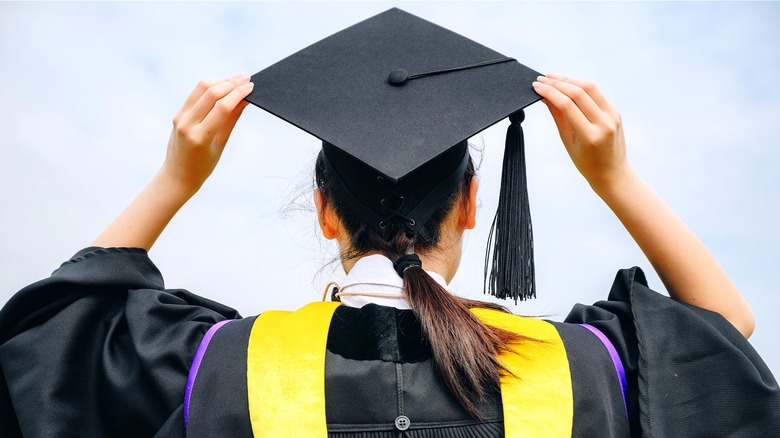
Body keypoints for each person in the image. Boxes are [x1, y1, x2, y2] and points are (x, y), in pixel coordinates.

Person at [1, 8, 777, 438]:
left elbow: (51, 336)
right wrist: (616, 177)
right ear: (473, 206)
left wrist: (175, 178)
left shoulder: (220, 365)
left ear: (324, 208)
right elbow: (719, 330)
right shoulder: (581, 370)